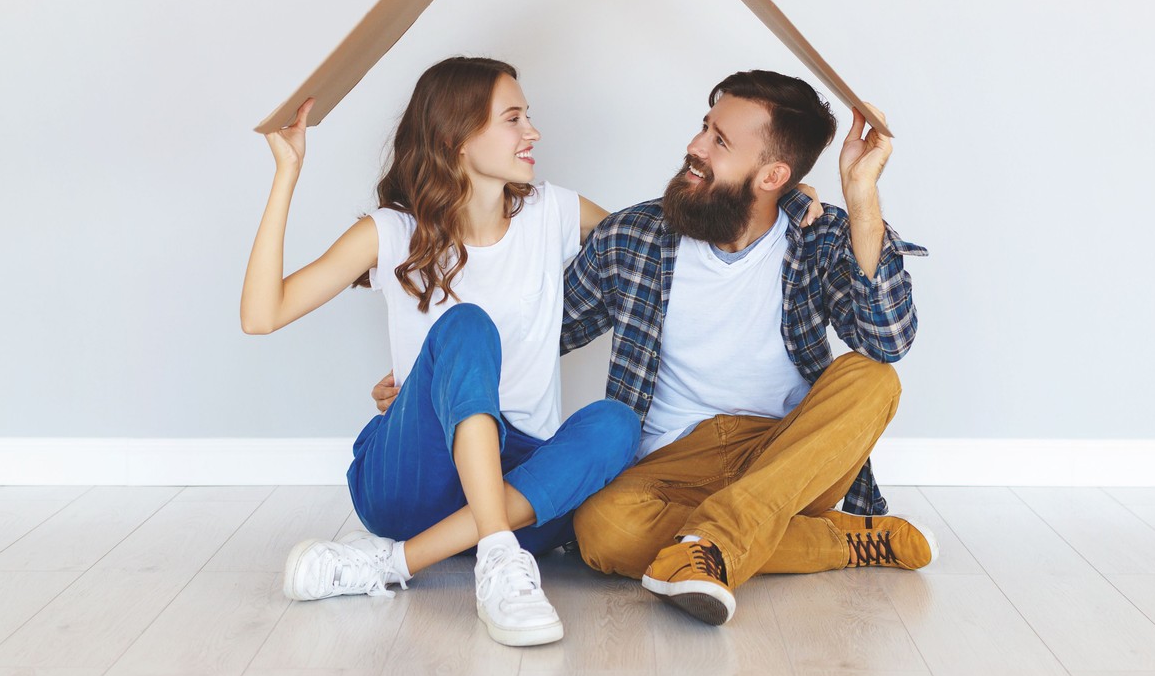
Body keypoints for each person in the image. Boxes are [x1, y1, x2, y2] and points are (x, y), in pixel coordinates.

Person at [375, 69, 934, 624]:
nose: (694, 147)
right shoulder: (637, 236)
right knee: (599, 529)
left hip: (786, 452)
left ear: (773, 176)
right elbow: (538, 330)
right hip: (669, 461)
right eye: (703, 128)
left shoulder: (818, 235)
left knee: (872, 378)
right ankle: (833, 542)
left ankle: (714, 543)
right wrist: (434, 379)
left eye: (719, 141)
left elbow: (886, 337)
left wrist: (862, 196)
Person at [240, 55, 641, 647]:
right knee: (466, 327)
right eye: (513, 118)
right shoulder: (391, 232)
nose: (532, 133)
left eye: (527, 117)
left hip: (520, 482)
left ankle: (392, 564)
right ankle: (499, 557)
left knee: (617, 424)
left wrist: (783, 207)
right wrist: (286, 175)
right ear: (458, 138)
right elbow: (261, 314)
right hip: (411, 483)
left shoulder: (552, 211)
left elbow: (659, 243)